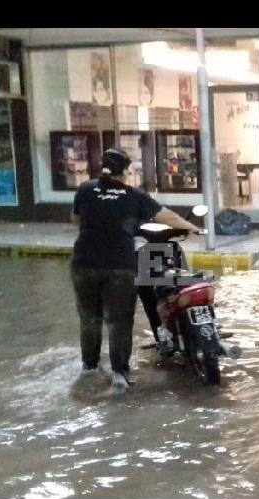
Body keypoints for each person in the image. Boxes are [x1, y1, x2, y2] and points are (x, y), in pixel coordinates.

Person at [70, 148, 201, 389]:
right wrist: (193, 228)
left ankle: (89, 368)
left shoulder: (85, 190)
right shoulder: (133, 195)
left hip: (83, 263)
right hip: (119, 266)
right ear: (126, 171)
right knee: (119, 321)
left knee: (89, 319)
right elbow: (168, 217)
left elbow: (76, 220)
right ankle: (119, 373)